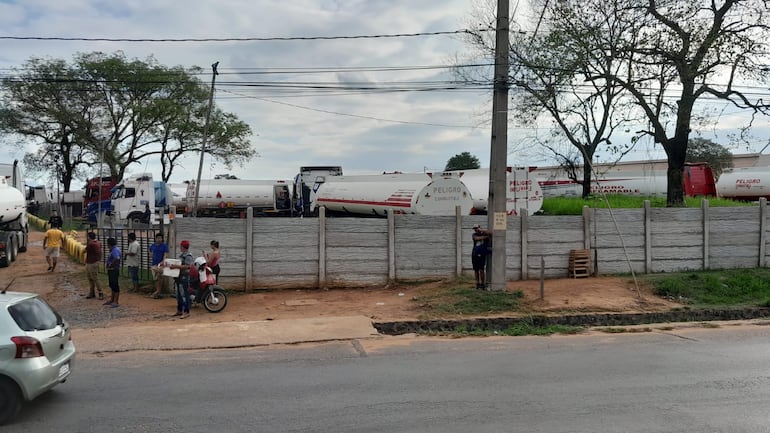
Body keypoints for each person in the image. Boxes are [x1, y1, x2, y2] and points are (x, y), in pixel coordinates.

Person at [167, 240, 194, 319]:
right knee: (179, 295)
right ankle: (179, 310)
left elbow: (188, 266)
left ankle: (186, 311)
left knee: (184, 295)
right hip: (179, 276)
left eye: (181, 246)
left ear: (183, 247)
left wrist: (176, 267)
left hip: (184, 277)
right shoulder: (182, 255)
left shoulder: (188, 256)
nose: (180, 247)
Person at [84, 232, 104, 300]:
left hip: (91, 262)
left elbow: (84, 251)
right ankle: (93, 292)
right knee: (93, 278)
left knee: (93, 278)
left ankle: (98, 292)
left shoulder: (91, 244)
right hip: (95, 261)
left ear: (89, 237)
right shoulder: (98, 243)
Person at [148, 233, 169, 298]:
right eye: (158, 238)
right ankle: (157, 292)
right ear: (156, 238)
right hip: (154, 264)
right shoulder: (153, 245)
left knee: (160, 278)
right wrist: (151, 255)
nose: (159, 239)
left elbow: (165, 255)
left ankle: (157, 292)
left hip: (160, 265)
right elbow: (150, 251)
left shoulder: (164, 246)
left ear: (162, 239)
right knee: (155, 279)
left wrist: (163, 261)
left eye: (160, 238)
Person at [471, 224, 491, 289]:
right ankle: (477, 283)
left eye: (476, 228)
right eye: (475, 229)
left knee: (481, 270)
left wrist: (482, 230)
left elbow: (491, 233)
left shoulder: (484, 233)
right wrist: (485, 237)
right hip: (474, 254)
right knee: (476, 270)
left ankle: (482, 284)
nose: (476, 229)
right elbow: (476, 238)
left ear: (479, 227)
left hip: (482, 254)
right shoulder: (474, 235)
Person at [104, 237, 121, 308]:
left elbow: (117, 258)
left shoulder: (115, 250)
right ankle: (112, 299)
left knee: (115, 284)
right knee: (112, 284)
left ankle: (116, 301)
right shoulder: (112, 250)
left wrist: (111, 264)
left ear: (109, 244)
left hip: (114, 269)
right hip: (111, 270)